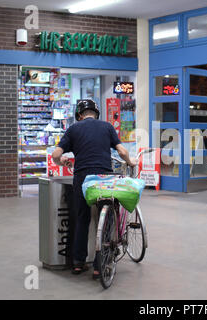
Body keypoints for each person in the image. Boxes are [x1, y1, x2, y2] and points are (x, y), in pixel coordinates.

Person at [52, 99, 137, 279]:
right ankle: (101, 265)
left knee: (82, 218)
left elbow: (55, 155)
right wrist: (131, 162)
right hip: (103, 179)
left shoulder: (74, 129)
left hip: (83, 179)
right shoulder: (107, 127)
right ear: (96, 113)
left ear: (80, 115)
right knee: (106, 219)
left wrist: (63, 161)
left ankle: (78, 263)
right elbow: (122, 151)